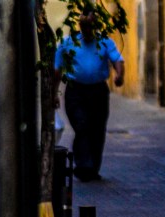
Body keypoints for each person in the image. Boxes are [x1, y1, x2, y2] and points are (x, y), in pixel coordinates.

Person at [53, 6, 125, 182]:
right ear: (79, 25)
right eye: (84, 25)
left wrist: (119, 75)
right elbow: (57, 69)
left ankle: (93, 167)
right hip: (75, 91)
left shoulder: (105, 42)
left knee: (97, 129)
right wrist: (53, 92)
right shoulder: (69, 43)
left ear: (96, 25)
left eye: (90, 26)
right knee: (81, 124)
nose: (87, 30)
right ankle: (84, 165)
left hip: (98, 91)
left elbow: (117, 60)